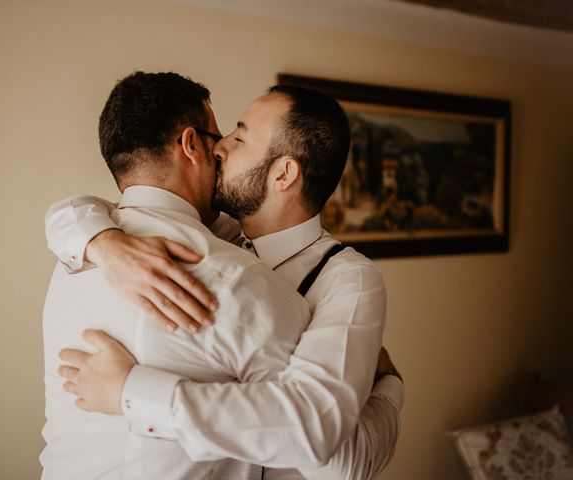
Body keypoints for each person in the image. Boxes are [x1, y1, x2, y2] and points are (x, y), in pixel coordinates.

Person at [46, 77, 404, 479]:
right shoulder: (214, 239)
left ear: (284, 174)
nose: (218, 147)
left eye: (240, 136)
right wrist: (103, 242)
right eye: (225, 132)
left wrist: (390, 385)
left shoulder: (349, 280)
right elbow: (90, 207)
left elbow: (343, 464)